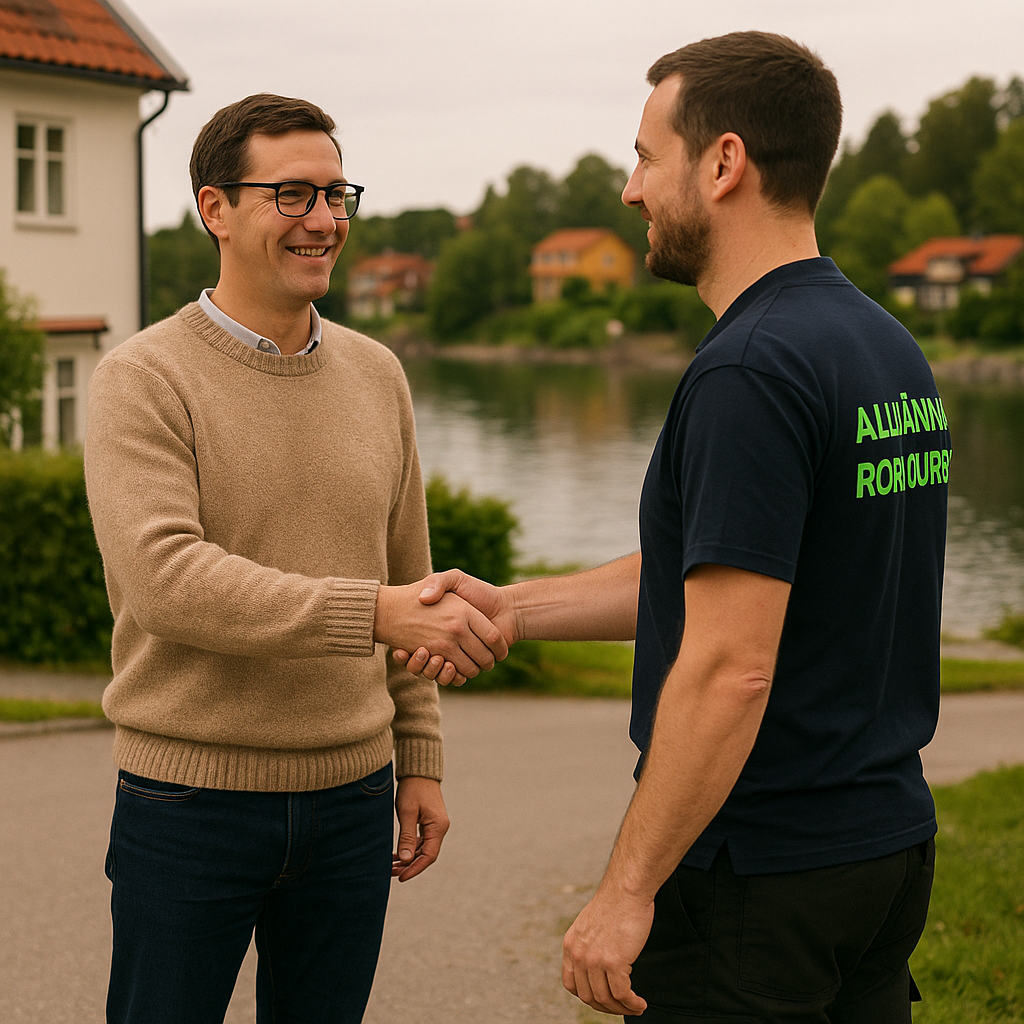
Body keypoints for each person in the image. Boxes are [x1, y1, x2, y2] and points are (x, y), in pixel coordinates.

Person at [399, 31, 950, 1023]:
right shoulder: (881, 344)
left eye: (646, 157)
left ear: (723, 162)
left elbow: (731, 663)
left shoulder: (752, 367)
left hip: (759, 873)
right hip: (879, 855)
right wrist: (512, 607)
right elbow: (735, 565)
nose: (630, 189)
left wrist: (625, 889)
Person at [84, 93, 507, 1024]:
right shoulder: (142, 379)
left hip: (352, 800)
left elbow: (410, 569)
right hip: (187, 798)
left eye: (335, 194)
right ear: (215, 210)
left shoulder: (377, 373)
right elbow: (166, 580)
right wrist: (376, 613)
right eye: (291, 195)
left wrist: (421, 758)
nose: (322, 220)